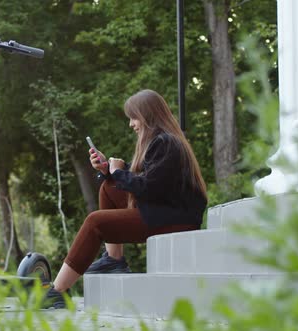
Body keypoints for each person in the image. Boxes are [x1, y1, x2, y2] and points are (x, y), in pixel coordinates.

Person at [42, 89, 208, 309]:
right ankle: (114, 260)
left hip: (176, 218)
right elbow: (152, 179)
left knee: (95, 222)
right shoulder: (162, 142)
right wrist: (109, 170)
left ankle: (57, 292)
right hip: (164, 209)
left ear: (148, 116)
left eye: (134, 117)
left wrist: (118, 171)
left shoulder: (166, 142)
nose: (131, 124)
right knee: (108, 186)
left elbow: (148, 187)